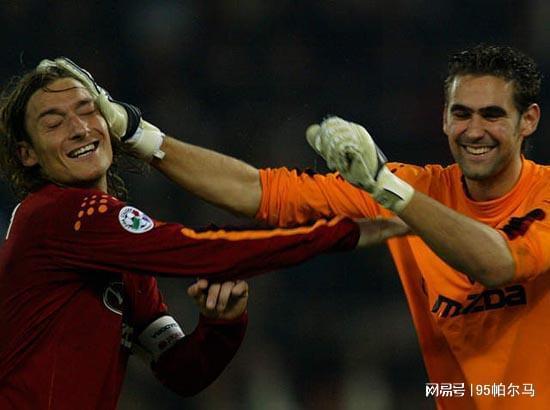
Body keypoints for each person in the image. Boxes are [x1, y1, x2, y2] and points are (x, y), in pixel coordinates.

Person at [68, 44, 549, 409]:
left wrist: (387, 189)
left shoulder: (525, 194)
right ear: (444, 118)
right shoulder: (414, 188)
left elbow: (496, 265)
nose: (474, 130)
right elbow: (258, 192)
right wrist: (138, 133)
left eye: (492, 115)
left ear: (528, 120)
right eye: (461, 114)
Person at [0, 60, 394, 410]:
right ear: (26, 154)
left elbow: (181, 373)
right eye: (53, 123)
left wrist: (220, 325)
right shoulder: (55, 215)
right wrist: (344, 232)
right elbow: (202, 250)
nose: (79, 128)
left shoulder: (117, 252)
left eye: (88, 110)